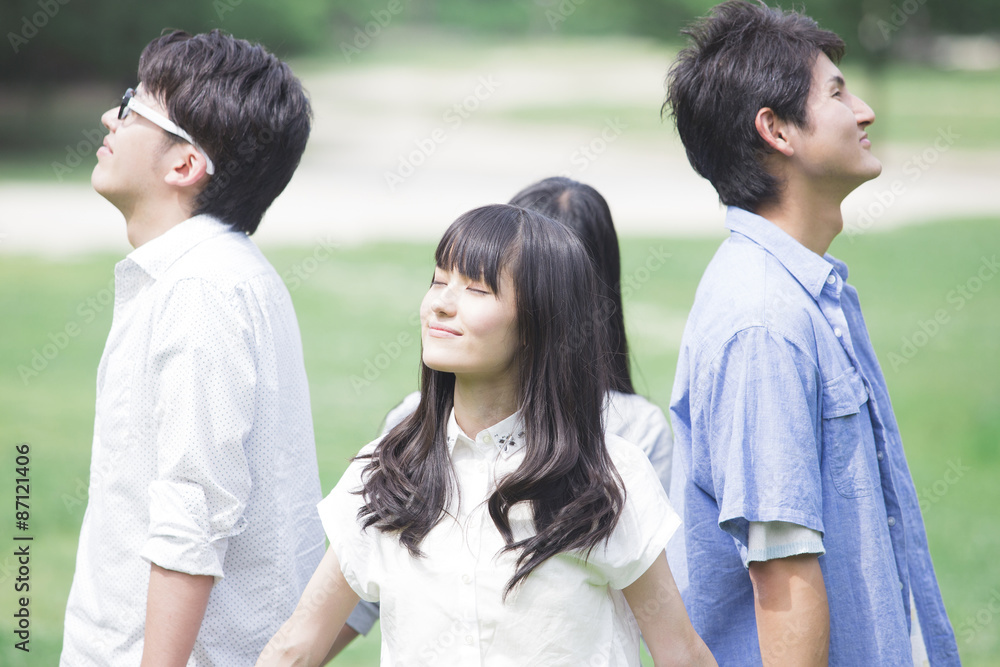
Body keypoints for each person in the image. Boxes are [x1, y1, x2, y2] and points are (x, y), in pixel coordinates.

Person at [256, 204, 715, 666]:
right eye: (439, 280)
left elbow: (680, 653)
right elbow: (296, 647)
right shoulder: (388, 472)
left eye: (476, 289)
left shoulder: (608, 478)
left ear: (539, 322)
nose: (441, 303)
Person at [663, 1, 959, 665]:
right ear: (777, 130)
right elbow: (782, 575)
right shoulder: (764, 320)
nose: (864, 111)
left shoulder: (805, 292)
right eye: (837, 93)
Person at [61, 30, 325, 665]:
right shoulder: (211, 273)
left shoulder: (203, 290)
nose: (111, 116)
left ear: (184, 165)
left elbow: (194, 513)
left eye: (133, 107)